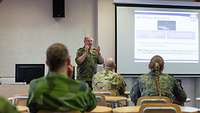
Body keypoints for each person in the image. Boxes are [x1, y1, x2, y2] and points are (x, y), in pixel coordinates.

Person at [27, 43, 96, 113]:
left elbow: (32, 109)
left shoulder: (35, 86)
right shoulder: (82, 88)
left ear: (47, 62)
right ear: (68, 61)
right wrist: (69, 79)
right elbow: (91, 106)